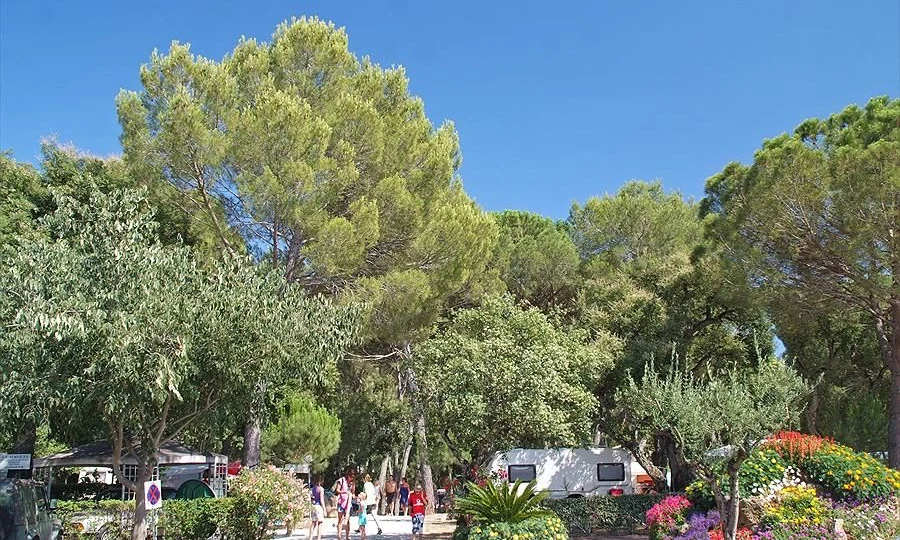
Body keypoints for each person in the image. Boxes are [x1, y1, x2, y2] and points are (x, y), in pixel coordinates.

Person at [335, 465, 356, 540]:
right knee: (340, 520)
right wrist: (344, 492)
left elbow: (353, 492)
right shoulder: (342, 480)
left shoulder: (353, 483)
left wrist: (353, 496)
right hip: (341, 502)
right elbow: (337, 490)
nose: (352, 478)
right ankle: (339, 536)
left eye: (353, 477)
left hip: (348, 503)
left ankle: (347, 537)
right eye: (351, 477)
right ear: (348, 475)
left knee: (347, 520)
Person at [308, 474, 326, 540]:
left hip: (313, 506)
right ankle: (318, 538)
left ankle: (310, 537)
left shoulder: (312, 489)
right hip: (319, 506)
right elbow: (321, 499)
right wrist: (324, 509)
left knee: (313, 523)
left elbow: (311, 498)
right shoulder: (321, 489)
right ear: (321, 481)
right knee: (320, 523)